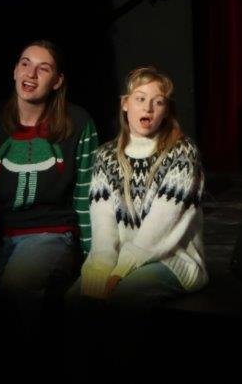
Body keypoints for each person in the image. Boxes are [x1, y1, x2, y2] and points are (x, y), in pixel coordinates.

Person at [0, 40, 97, 310]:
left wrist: (92, 259)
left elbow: (86, 196)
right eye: (25, 64)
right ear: (14, 71)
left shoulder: (79, 122)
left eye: (43, 68)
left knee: (15, 290)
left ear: (57, 81)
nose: (31, 74)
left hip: (52, 233)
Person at [72, 66, 206, 305]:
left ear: (166, 111)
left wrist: (120, 271)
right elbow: (103, 226)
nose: (148, 108)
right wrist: (101, 268)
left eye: (158, 102)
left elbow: (161, 225)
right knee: (74, 299)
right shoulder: (106, 156)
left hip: (172, 260)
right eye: (140, 99)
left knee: (120, 296)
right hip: (122, 262)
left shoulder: (182, 152)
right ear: (125, 104)